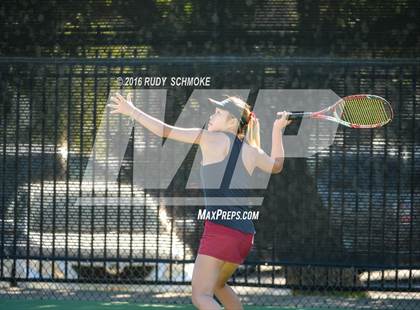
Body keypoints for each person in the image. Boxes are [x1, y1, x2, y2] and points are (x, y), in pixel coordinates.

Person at [108, 93, 291, 310]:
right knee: (218, 285)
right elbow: (277, 165)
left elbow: (164, 131)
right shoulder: (251, 150)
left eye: (219, 113)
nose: (212, 116)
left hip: (221, 231)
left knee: (200, 296)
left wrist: (132, 111)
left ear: (232, 121)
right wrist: (277, 130)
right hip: (244, 234)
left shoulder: (210, 138)